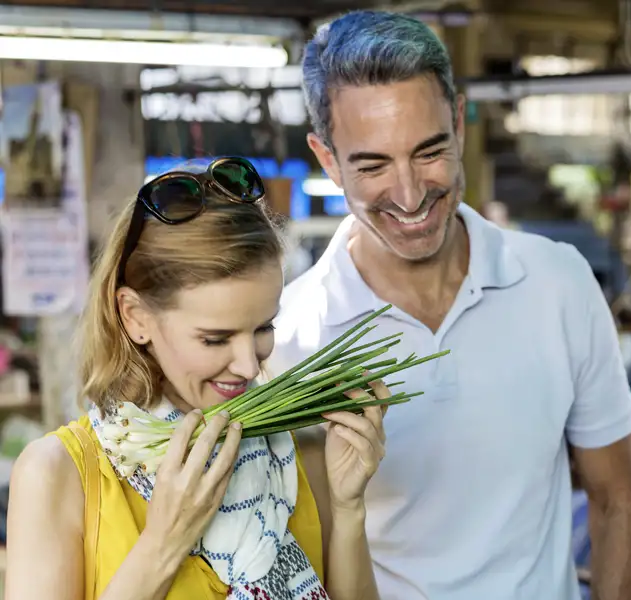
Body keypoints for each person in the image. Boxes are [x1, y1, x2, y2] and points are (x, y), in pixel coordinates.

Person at [269, 10, 631, 600]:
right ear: (327, 159)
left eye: (428, 152)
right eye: (372, 164)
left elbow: (618, 499)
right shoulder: (291, 340)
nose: (409, 193)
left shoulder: (557, 283)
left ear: (459, 125)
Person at [5, 157, 387, 600]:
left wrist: (348, 507)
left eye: (264, 327)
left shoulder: (303, 455)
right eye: (215, 338)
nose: (248, 365)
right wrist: (162, 545)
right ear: (135, 317)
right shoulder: (60, 475)